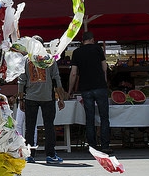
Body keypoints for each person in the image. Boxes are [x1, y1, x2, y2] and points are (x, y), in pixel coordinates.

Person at [17, 35, 66, 164]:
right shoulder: (50, 59)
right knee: (49, 126)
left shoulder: (26, 60)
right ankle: (50, 154)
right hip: (47, 98)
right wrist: (61, 98)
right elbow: (56, 79)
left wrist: (21, 100)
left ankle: (29, 154)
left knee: (30, 127)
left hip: (30, 98)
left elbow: (21, 81)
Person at [69, 31, 112, 153]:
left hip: (86, 88)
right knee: (104, 117)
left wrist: (70, 90)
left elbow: (73, 73)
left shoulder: (76, 52)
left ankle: (92, 146)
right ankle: (105, 145)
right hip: (100, 86)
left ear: (83, 41)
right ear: (92, 39)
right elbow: (104, 68)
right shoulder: (98, 49)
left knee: (89, 118)